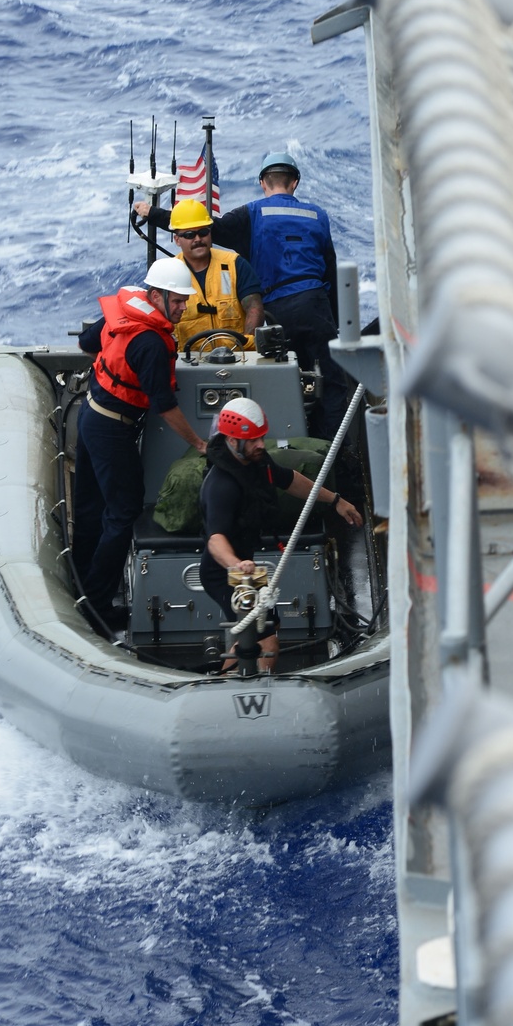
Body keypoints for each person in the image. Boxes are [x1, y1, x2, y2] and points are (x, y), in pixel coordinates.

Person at [136, 151, 348, 438]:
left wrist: (152, 213)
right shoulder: (317, 215)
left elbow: (214, 227)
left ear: (263, 182)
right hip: (316, 305)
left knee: (281, 380)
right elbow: (331, 270)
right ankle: (332, 452)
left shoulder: (253, 213)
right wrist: (333, 321)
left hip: (278, 311)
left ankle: (283, 439)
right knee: (330, 383)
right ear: (295, 182)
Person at [73, 257, 207, 633]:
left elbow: (88, 344)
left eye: (184, 301)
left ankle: (80, 584)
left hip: (91, 413)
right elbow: (164, 405)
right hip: (113, 429)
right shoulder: (150, 342)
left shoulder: (125, 314)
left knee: (89, 506)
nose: (183, 308)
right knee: (123, 511)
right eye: (177, 301)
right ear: (155, 296)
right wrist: (198, 442)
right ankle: (98, 605)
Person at [199, 397, 362, 671]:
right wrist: (236, 565)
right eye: (252, 440)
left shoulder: (254, 462)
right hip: (226, 574)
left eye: (261, 438)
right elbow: (215, 540)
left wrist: (335, 500)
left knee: (264, 629)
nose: (261, 445)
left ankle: (224, 678)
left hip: (246, 570)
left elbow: (290, 480)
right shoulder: (221, 486)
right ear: (232, 440)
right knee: (268, 643)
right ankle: (253, 696)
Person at [165, 197, 263, 352]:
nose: (198, 239)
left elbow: (254, 306)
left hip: (237, 362)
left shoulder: (235, 264)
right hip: (188, 366)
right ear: (177, 239)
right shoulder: (168, 273)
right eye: (190, 235)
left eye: (203, 232)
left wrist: (247, 351)